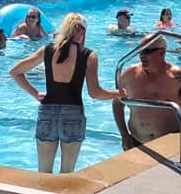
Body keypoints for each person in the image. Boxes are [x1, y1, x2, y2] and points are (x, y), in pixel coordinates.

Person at [9, 13, 122, 173]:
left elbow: (15, 71)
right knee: (67, 174)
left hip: (47, 112)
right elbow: (95, 93)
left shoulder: (47, 50)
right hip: (73, 114)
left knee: (43, 172)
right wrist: (120, 93)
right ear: (82, 32)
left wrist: (35, 93)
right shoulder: (88, 55)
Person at [114, 34, 181, 148]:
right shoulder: (130, 74)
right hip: (136, 141)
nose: (141, 55)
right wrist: (124, 134)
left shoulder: (176, 76)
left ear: (161, 53)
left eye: (147, 51)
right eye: (139, 51)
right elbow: (117, 102)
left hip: (169, 143)